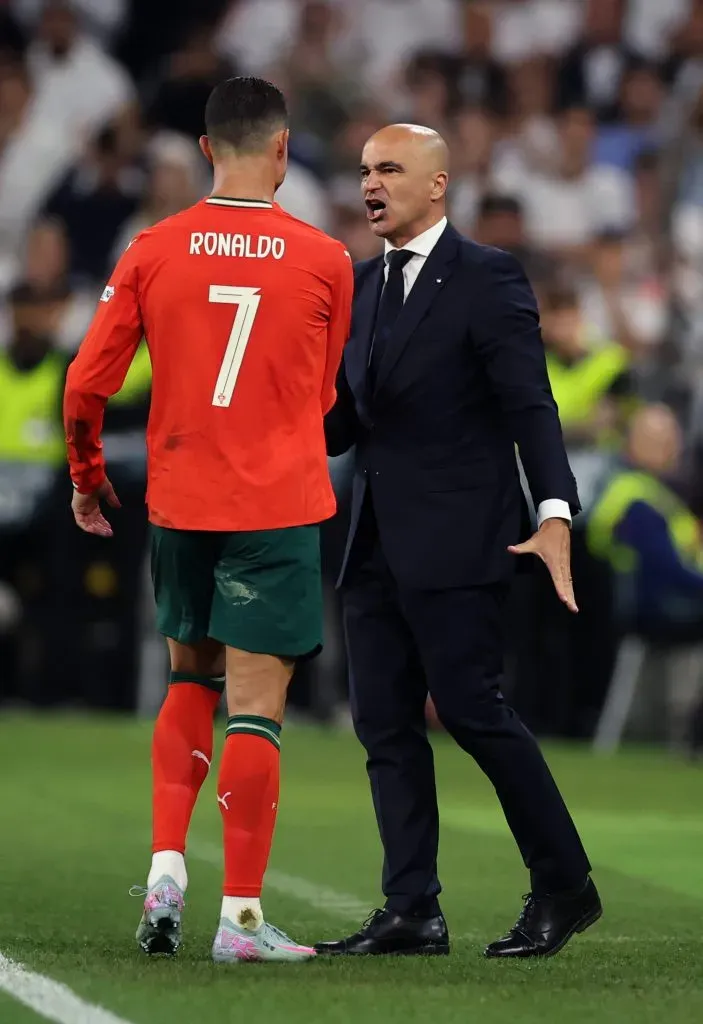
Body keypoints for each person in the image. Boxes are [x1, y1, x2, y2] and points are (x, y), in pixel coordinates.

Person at [63, 76, 353, 964]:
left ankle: (163, 872)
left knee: (189, 680)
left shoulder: (153, 247)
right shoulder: (326, 259)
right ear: (282, 149)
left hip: (180, 502)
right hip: (273, 506)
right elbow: (326, 394)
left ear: (202, 151)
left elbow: (85, 384)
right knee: (257, 710)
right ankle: (241, 920)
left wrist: (86, 474)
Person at [314, 123, 601, 960]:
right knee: (384, 726)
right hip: (371, 541)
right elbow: (344, 423)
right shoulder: (359, 286)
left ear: (436, 185)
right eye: (365, 171)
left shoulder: (486, 276)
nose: (372, 184)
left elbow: (529, 404)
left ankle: (565, 885)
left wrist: (553, 510)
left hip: (459, 539)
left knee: (474, 713)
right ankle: (412, 909)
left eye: (390, 169)